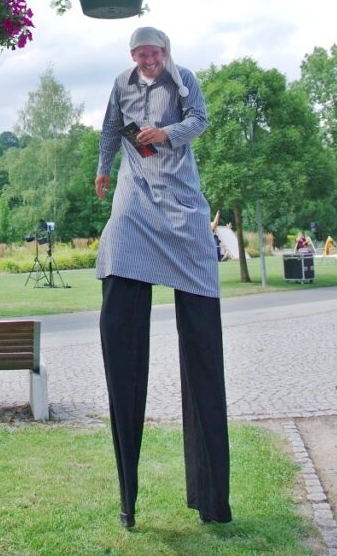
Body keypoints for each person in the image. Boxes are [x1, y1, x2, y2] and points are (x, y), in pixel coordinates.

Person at [94, 26, 231, 529]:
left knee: (200, 338)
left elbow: (201, 120)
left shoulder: (183, 79)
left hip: (180, 200)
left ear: (165, 53)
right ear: (131, 56)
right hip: (136, 196)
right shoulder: (120, 83)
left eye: (154, 53)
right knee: (117, 249)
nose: (147, 60)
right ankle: (128, 501)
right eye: (140, 54)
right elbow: (110, 129)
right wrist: (104, 168)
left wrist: (166, 134)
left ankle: (212, 499)